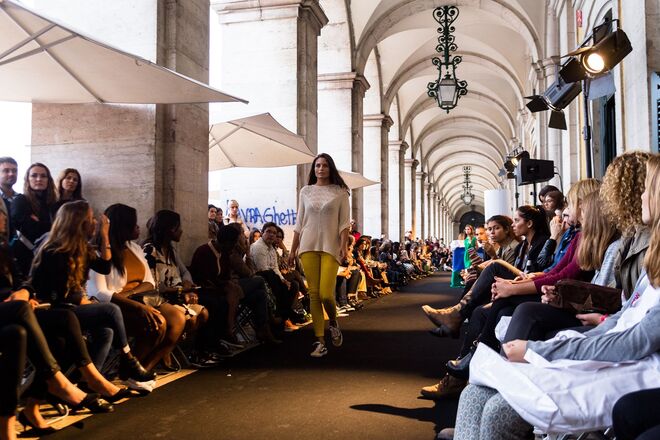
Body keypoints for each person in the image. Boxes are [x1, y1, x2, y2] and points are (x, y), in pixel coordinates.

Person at [451, 154, 660, 439]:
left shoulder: (619, 246)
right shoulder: (640, 254)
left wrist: (539, 350)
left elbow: (633, 336)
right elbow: (623, 313)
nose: (643, 195)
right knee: (475, 393)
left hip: (629, 366)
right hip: (610, 343)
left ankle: (474, 336)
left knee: (498, 408)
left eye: (648, 189)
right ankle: (470, 338)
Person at [87, 204, 185, 389]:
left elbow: (149, 282)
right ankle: (128, 370)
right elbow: (100, 292)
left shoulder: (134, 248)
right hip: (116, 306)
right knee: (158, 323)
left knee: (178, 319)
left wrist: (131, 294)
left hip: (139, 298)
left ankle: (142, 368)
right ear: (123, 226)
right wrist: (133, 303)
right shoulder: (99, 252)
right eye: (133, 224)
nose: (138, 227)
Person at [288, 153, 350, 358]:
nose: (320, 169)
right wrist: (292, 250)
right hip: (307, 245)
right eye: (317, 165)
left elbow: (344, 224)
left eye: (324, 165)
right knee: (314, 294)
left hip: (331, 247)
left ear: (330, 168)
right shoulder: (305, 191)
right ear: (313, 169)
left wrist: (344, 247)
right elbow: (299, 223)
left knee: (325, 294)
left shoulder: (341, 192)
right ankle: (320, 341)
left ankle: (333, 321)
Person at [143, 210, 217, 367]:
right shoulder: (150, 250)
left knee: (203, 313)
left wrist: (187, 284)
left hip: (177, 294)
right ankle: (163, 354)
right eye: (178, 227)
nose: (181, 231)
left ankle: (170, 349)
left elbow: (184, 272)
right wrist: (181, 291)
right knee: (192, 317)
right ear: (169, 229)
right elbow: (153, 284)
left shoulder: (170, 250)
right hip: (160, 298)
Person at [10, 162, 57, 275]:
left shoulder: (53, 204)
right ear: (28, 179)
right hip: (25, 256)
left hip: (49, 256)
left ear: (48, 180)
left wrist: (39, 223)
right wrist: (52, 227)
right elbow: (32, 229)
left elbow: (62, 230)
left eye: (43, 176)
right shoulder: (20, 201)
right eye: (34, 175)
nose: (39, 179)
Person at [251, 222, 299, 332]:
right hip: (258, 280)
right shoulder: (259, 247)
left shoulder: (271, 248)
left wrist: (283, 280)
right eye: (269, 232)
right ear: (262, 233)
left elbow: (275, 268)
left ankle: (284, 316)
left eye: (274, 233)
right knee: (271, 275)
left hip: (271, 279)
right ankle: (285, 314)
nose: (272, 235)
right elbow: (262, 270)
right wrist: (281, 280)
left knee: (293, 285)